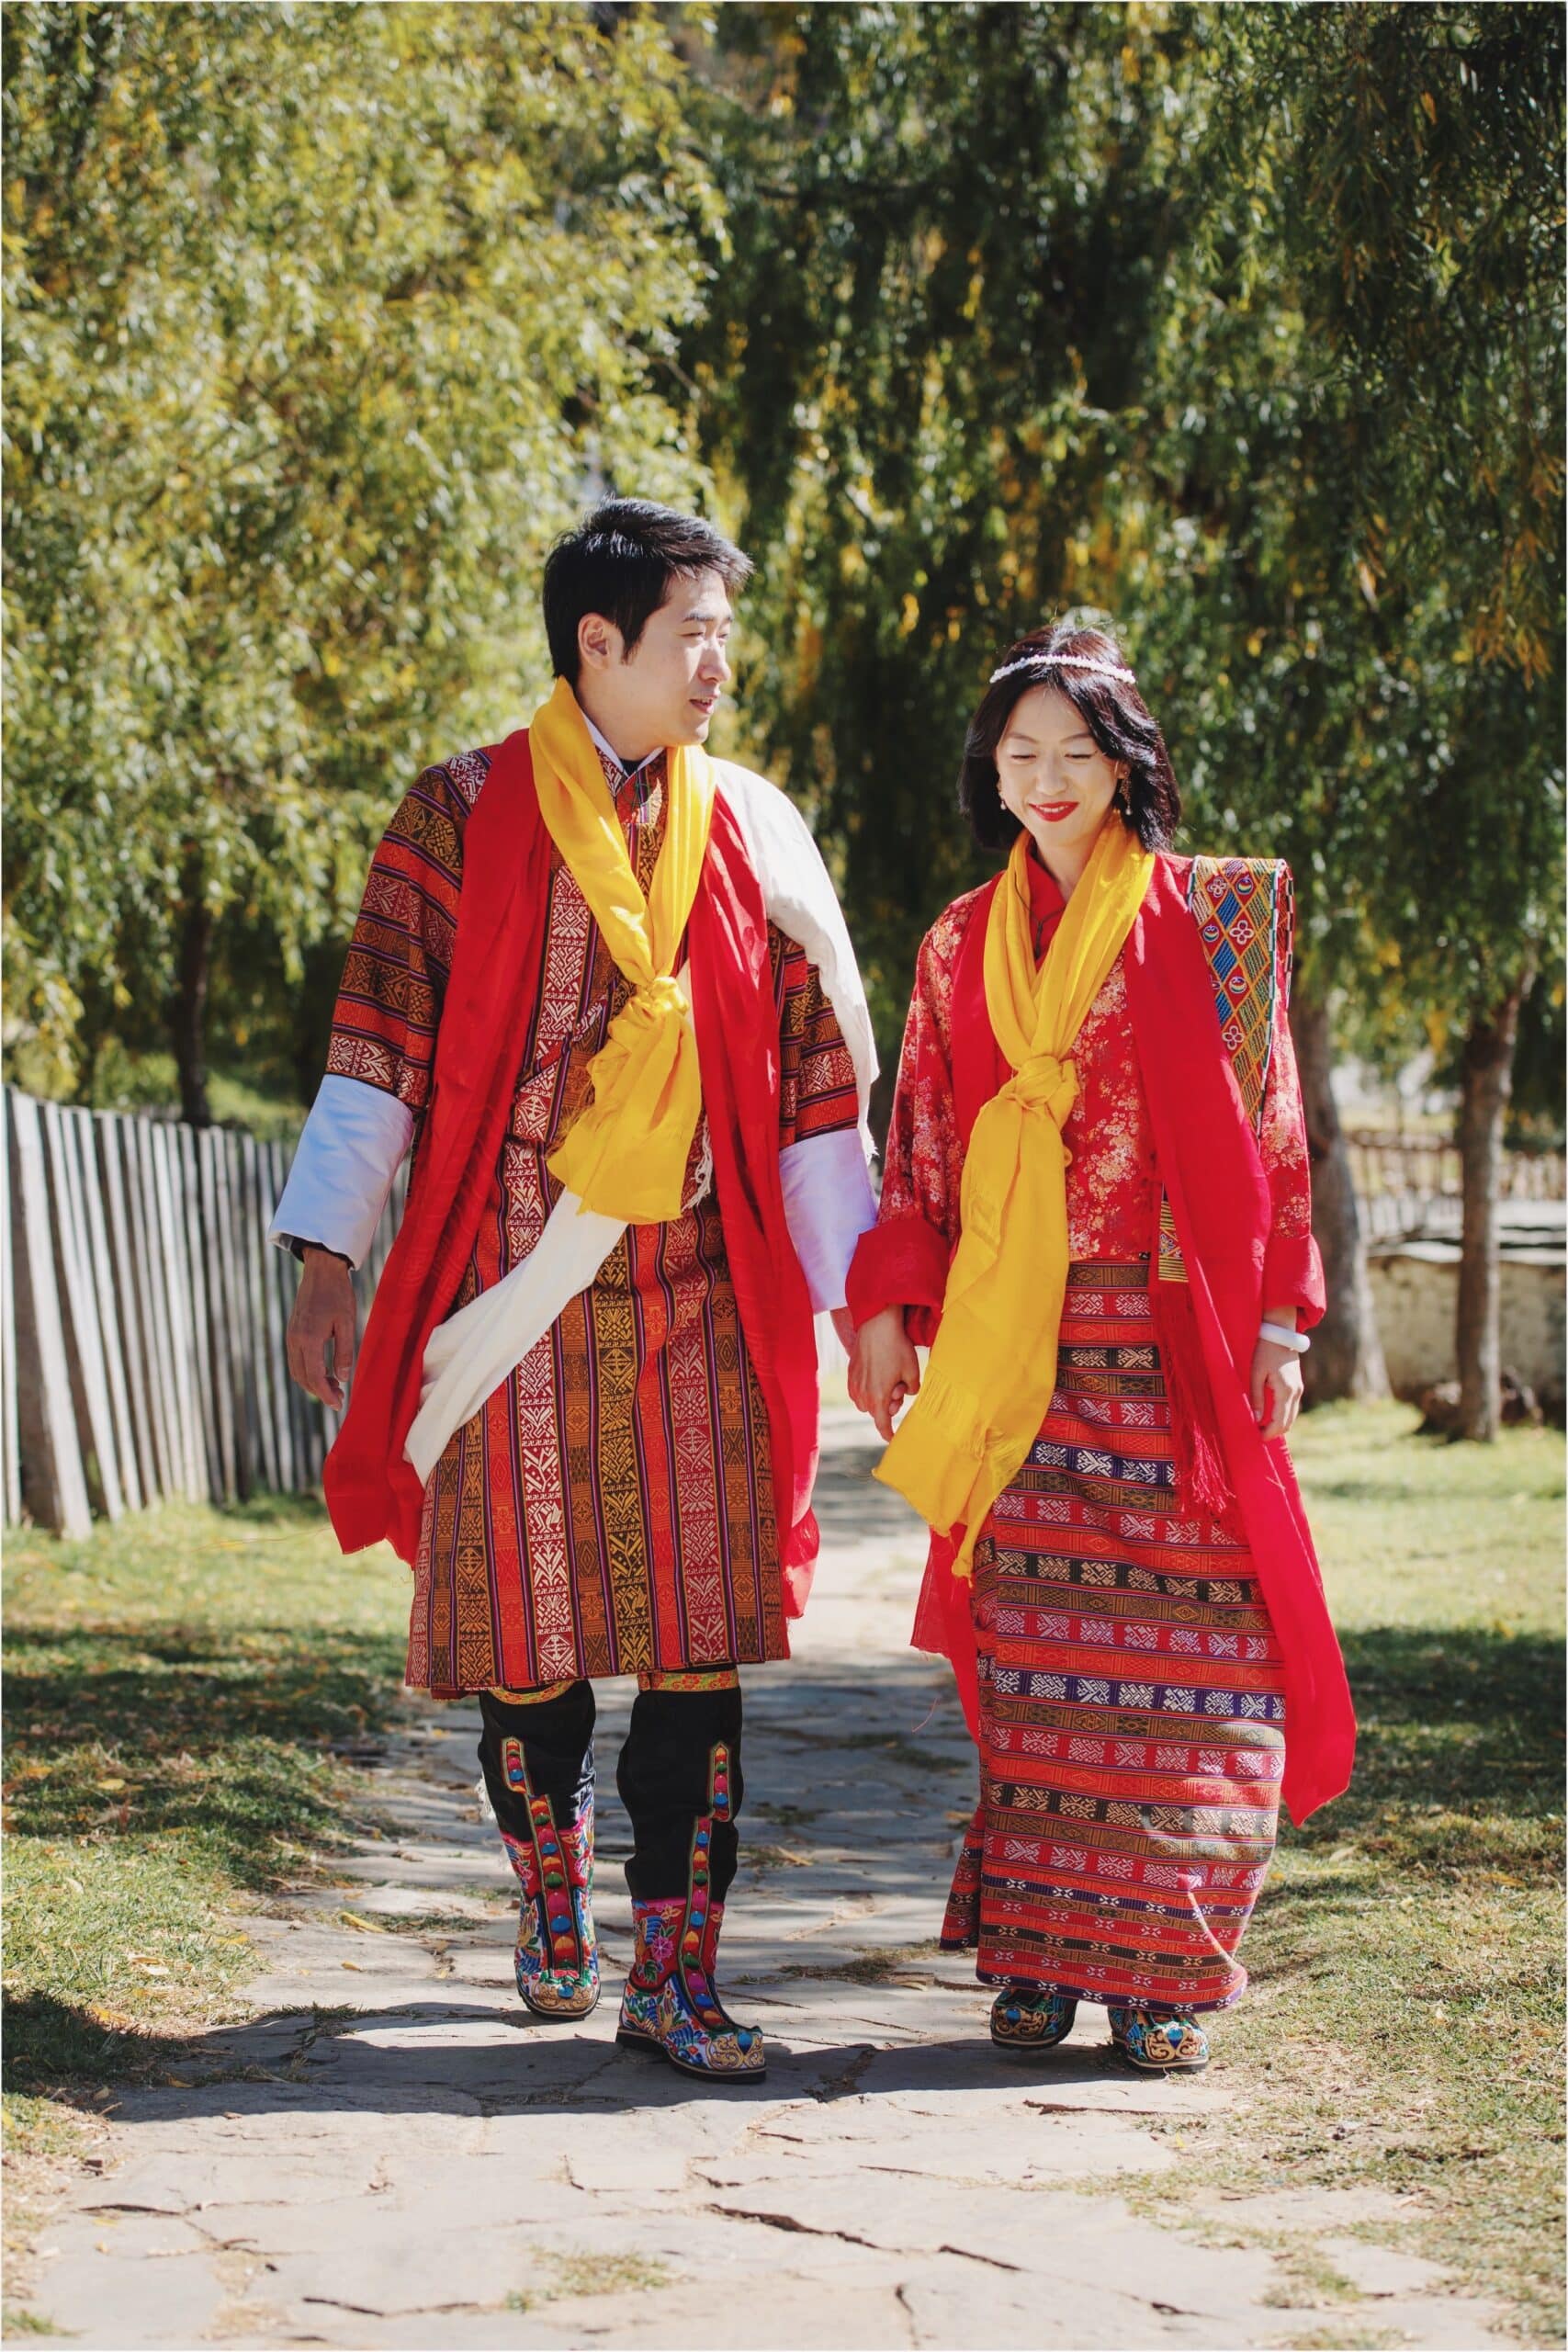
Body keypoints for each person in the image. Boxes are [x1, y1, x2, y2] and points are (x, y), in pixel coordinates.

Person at [272, 499, 877, 2082]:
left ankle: (676, 1975)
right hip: (510, 1299)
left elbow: (817, 1090)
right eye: (694, 636)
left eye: (726, 637)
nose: (719, 667)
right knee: (526, 1639)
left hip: (704, 1296)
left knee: (697, 1639)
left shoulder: (753, 830)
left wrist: (865, 1304)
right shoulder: (459, 812)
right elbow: (378, 1045)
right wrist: (329, 1254)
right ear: (598, 643)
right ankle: (553, 1895)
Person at [845, 621, 1354, 2073]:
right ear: (992, 772)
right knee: (1041, 1669)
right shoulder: (959, 942)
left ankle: (1166, 1970)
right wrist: (887, 1310)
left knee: (1214, 1667)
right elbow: (920, 1139)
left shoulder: (1216, 920)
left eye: (1078, 751)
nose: (1050, 778)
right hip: (1019, 1354)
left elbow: (1273, 1126)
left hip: (1175, 1348)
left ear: (1127, 765)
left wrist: (1280, 1319)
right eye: (1023, 754)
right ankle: (1042, 1954)